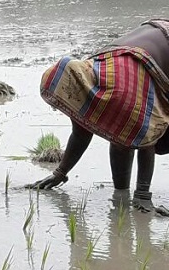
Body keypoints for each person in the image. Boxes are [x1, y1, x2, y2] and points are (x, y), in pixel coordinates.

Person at [29, 19, 169, 215]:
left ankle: (136, 196)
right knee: (120, 133)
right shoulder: (86, 81)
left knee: (133, 128)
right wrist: (60, 173)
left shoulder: (121, 90)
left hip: (156, 51)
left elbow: (147, 136)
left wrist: (143, 195)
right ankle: (121, 194)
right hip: (141, 46)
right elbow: (80, 134)